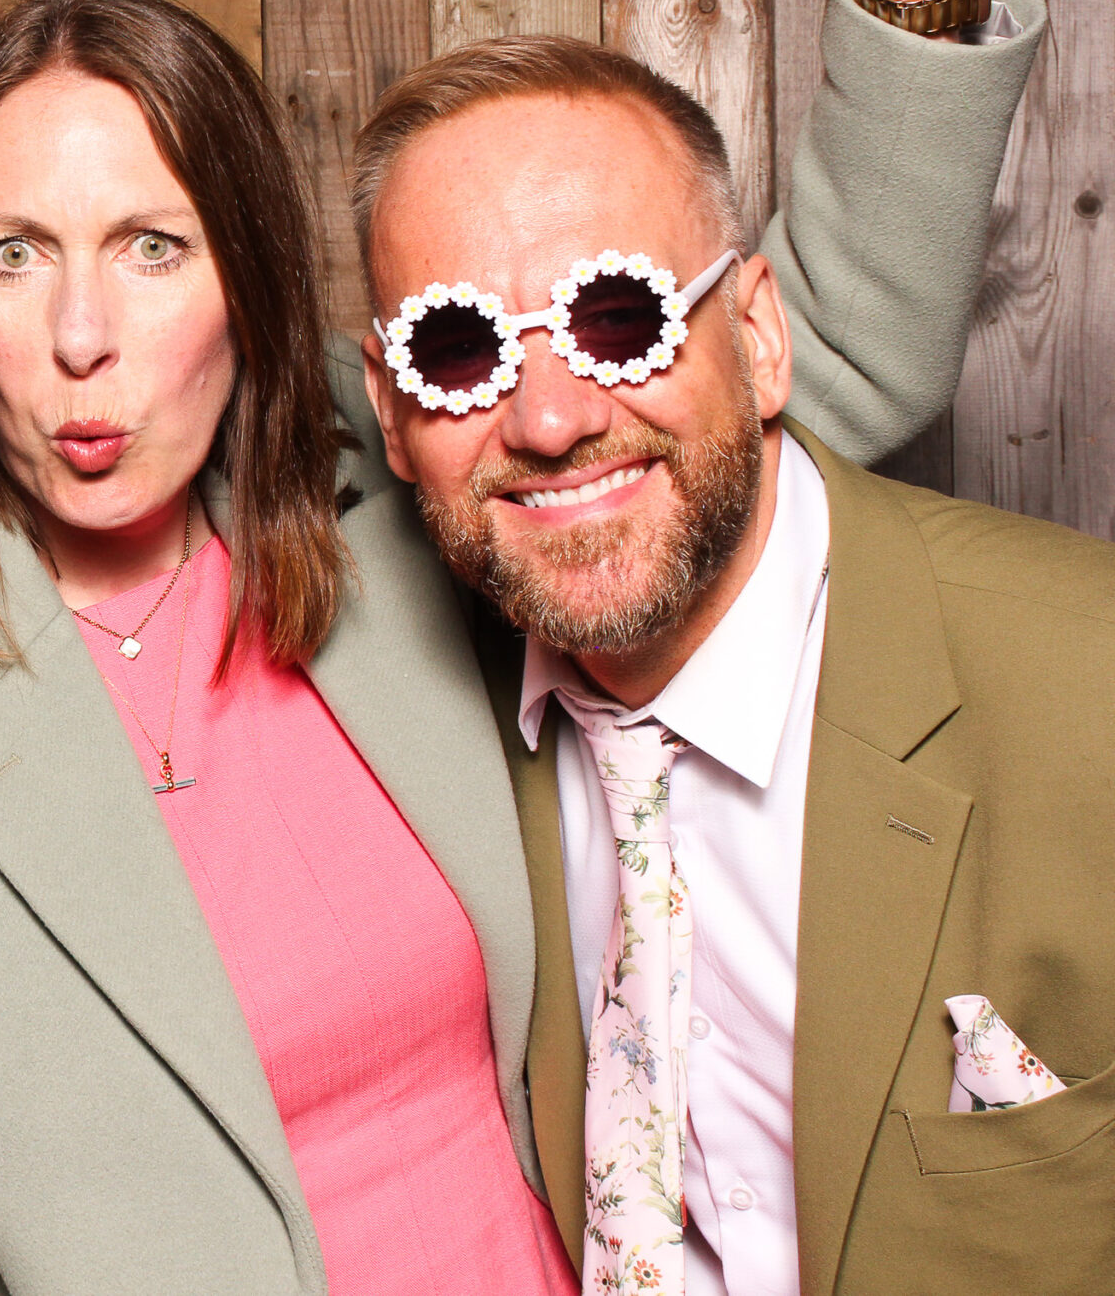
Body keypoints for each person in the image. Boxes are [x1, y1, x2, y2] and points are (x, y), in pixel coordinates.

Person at [0, 0, 1047, 1296]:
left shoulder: (412, 490)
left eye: (152, 245)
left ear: (247, 275)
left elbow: (759, 376)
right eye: (11, 253)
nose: (80, 336)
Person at [352, 71, 1113, 1287]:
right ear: (392, 414)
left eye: (617, 318)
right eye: (457, 351)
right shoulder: (416, 722)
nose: (547, 421)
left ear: (756, 338)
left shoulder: (1086, 676)